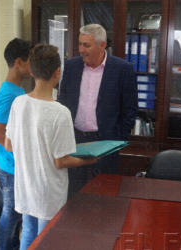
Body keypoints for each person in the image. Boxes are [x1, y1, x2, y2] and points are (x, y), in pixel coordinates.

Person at [4, 44, 99, 250]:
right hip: (48, 191)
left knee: (28, 233)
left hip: (26, 185)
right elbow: (61, 160)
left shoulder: (18, 103)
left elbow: (8, 145)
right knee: (48, 239)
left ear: (31, 71)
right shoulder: (60, 112)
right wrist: (89, 159)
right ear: (58, 73)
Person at [58, 24, 138, 199]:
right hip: (75, 140)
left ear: (102, 45)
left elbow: (130, 109)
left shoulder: (122, 69)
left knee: (104, 193)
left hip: (106, 142)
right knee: (73, 192)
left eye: (86, 45)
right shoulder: (71, 66)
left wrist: (119, 139)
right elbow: (62, 100)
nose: (81, 50)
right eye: (80, 44)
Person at [0, 38, 33, 250]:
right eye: (31, 60)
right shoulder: (8, 93)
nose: (34, 65)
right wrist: (23, 151)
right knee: (11, 214)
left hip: (14, 164)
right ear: (19, 62)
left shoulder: (17, 90)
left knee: (16, 214)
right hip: (10, 167)